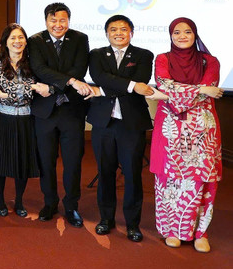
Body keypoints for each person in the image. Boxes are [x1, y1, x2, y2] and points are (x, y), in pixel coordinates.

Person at [151, 17, 223, 253]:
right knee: (171, 178)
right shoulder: (163, 58)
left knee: (202, 179)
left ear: (195, 34)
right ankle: (173, 230)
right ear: (170, 36)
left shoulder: (209, 60)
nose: (182, 36)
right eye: (177, 33)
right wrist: (201, 89)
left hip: (202, 129)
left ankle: (200, 232)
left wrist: (182, 93)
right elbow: (164, 85)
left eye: (188, 32)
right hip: (170, 128)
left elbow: (206, 89)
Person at [86, 14, 154, 242]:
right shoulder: (96, 54)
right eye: (113, 29)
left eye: (123, 29)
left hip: (131, 124)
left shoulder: (144, 55)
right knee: (105, 172)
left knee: (133, 174)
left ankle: (133, 224)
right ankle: (106, 219)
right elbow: (99, 76)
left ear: (131, 32)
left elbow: (141, 78)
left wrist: (104, 89)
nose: (118, 33)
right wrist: (132, 85)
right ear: (106, 33)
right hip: (103, 123)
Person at [27, 2, 93, 227]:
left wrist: (56, 86)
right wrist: (70, 81)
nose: (58, 25)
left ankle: (72, 206)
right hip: (44, 112)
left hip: (71, 111)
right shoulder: (35, 41)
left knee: (73, 162)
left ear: (69, 21)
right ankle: (50, 202)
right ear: (46, 21)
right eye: (53, 20)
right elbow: (39, 69)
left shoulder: (80, 39)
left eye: (62, 20)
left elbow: (79, 69)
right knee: (46, 161)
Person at [0, 24, 47, 218]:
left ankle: (19, 200)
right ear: (5, 41)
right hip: (1, 116)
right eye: (13, 38)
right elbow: (7, 90)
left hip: (26, 118)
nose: (17, 41)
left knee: (22, 160)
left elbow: (13, 93)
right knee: (0, 160)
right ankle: (1, 201)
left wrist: (16, 92)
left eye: (21, 37)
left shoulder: (33, 62)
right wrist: (34, 88)